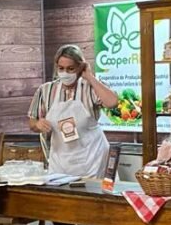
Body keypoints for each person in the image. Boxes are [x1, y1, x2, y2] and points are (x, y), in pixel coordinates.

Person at [27, 45, 119, 178]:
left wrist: (90, 77)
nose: (65, 73)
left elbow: (112, 102)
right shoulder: (46, 90)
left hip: (93, 159)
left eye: (70, 69)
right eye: (61, 68)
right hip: (61, 162)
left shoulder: (90, 87)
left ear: (80, 67)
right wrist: (38, 125)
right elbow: (32, 122)